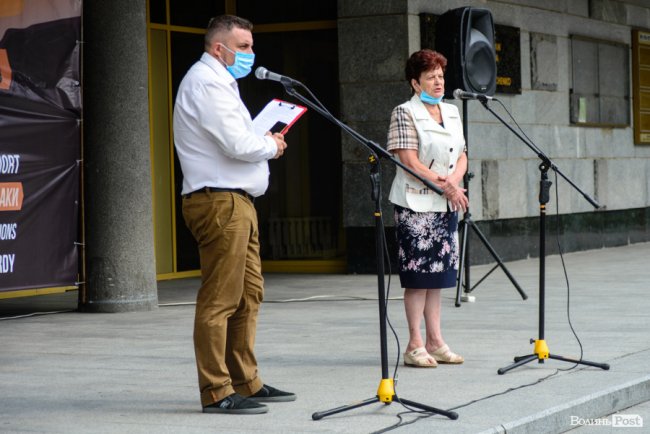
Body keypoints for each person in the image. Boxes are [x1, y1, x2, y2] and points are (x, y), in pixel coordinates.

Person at [173, 15, 295, 414]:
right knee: (220, 298)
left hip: (236, 201)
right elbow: (237, 143)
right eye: (242, 46)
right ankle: (216, 390)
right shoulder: (206, 82)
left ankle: (245, 381)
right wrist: (271, 145)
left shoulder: (222, 83)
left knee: (248, 294)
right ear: (217, 47)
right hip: (219, 201)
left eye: (251, 45)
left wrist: (261, 142)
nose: (250, 53)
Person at [386, 49, 469, 368]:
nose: (438, 82)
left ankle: (436, 342)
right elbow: (407, 160)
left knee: (439, 277)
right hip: (415, 205)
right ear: (415, 83)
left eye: (441, 76)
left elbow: (462, 153)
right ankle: (414, 344)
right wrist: (445, 184)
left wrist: (454, 181)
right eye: (431, 77)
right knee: (419, 277)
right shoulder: (404, 112)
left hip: (445, 203)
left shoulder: (451, 112)